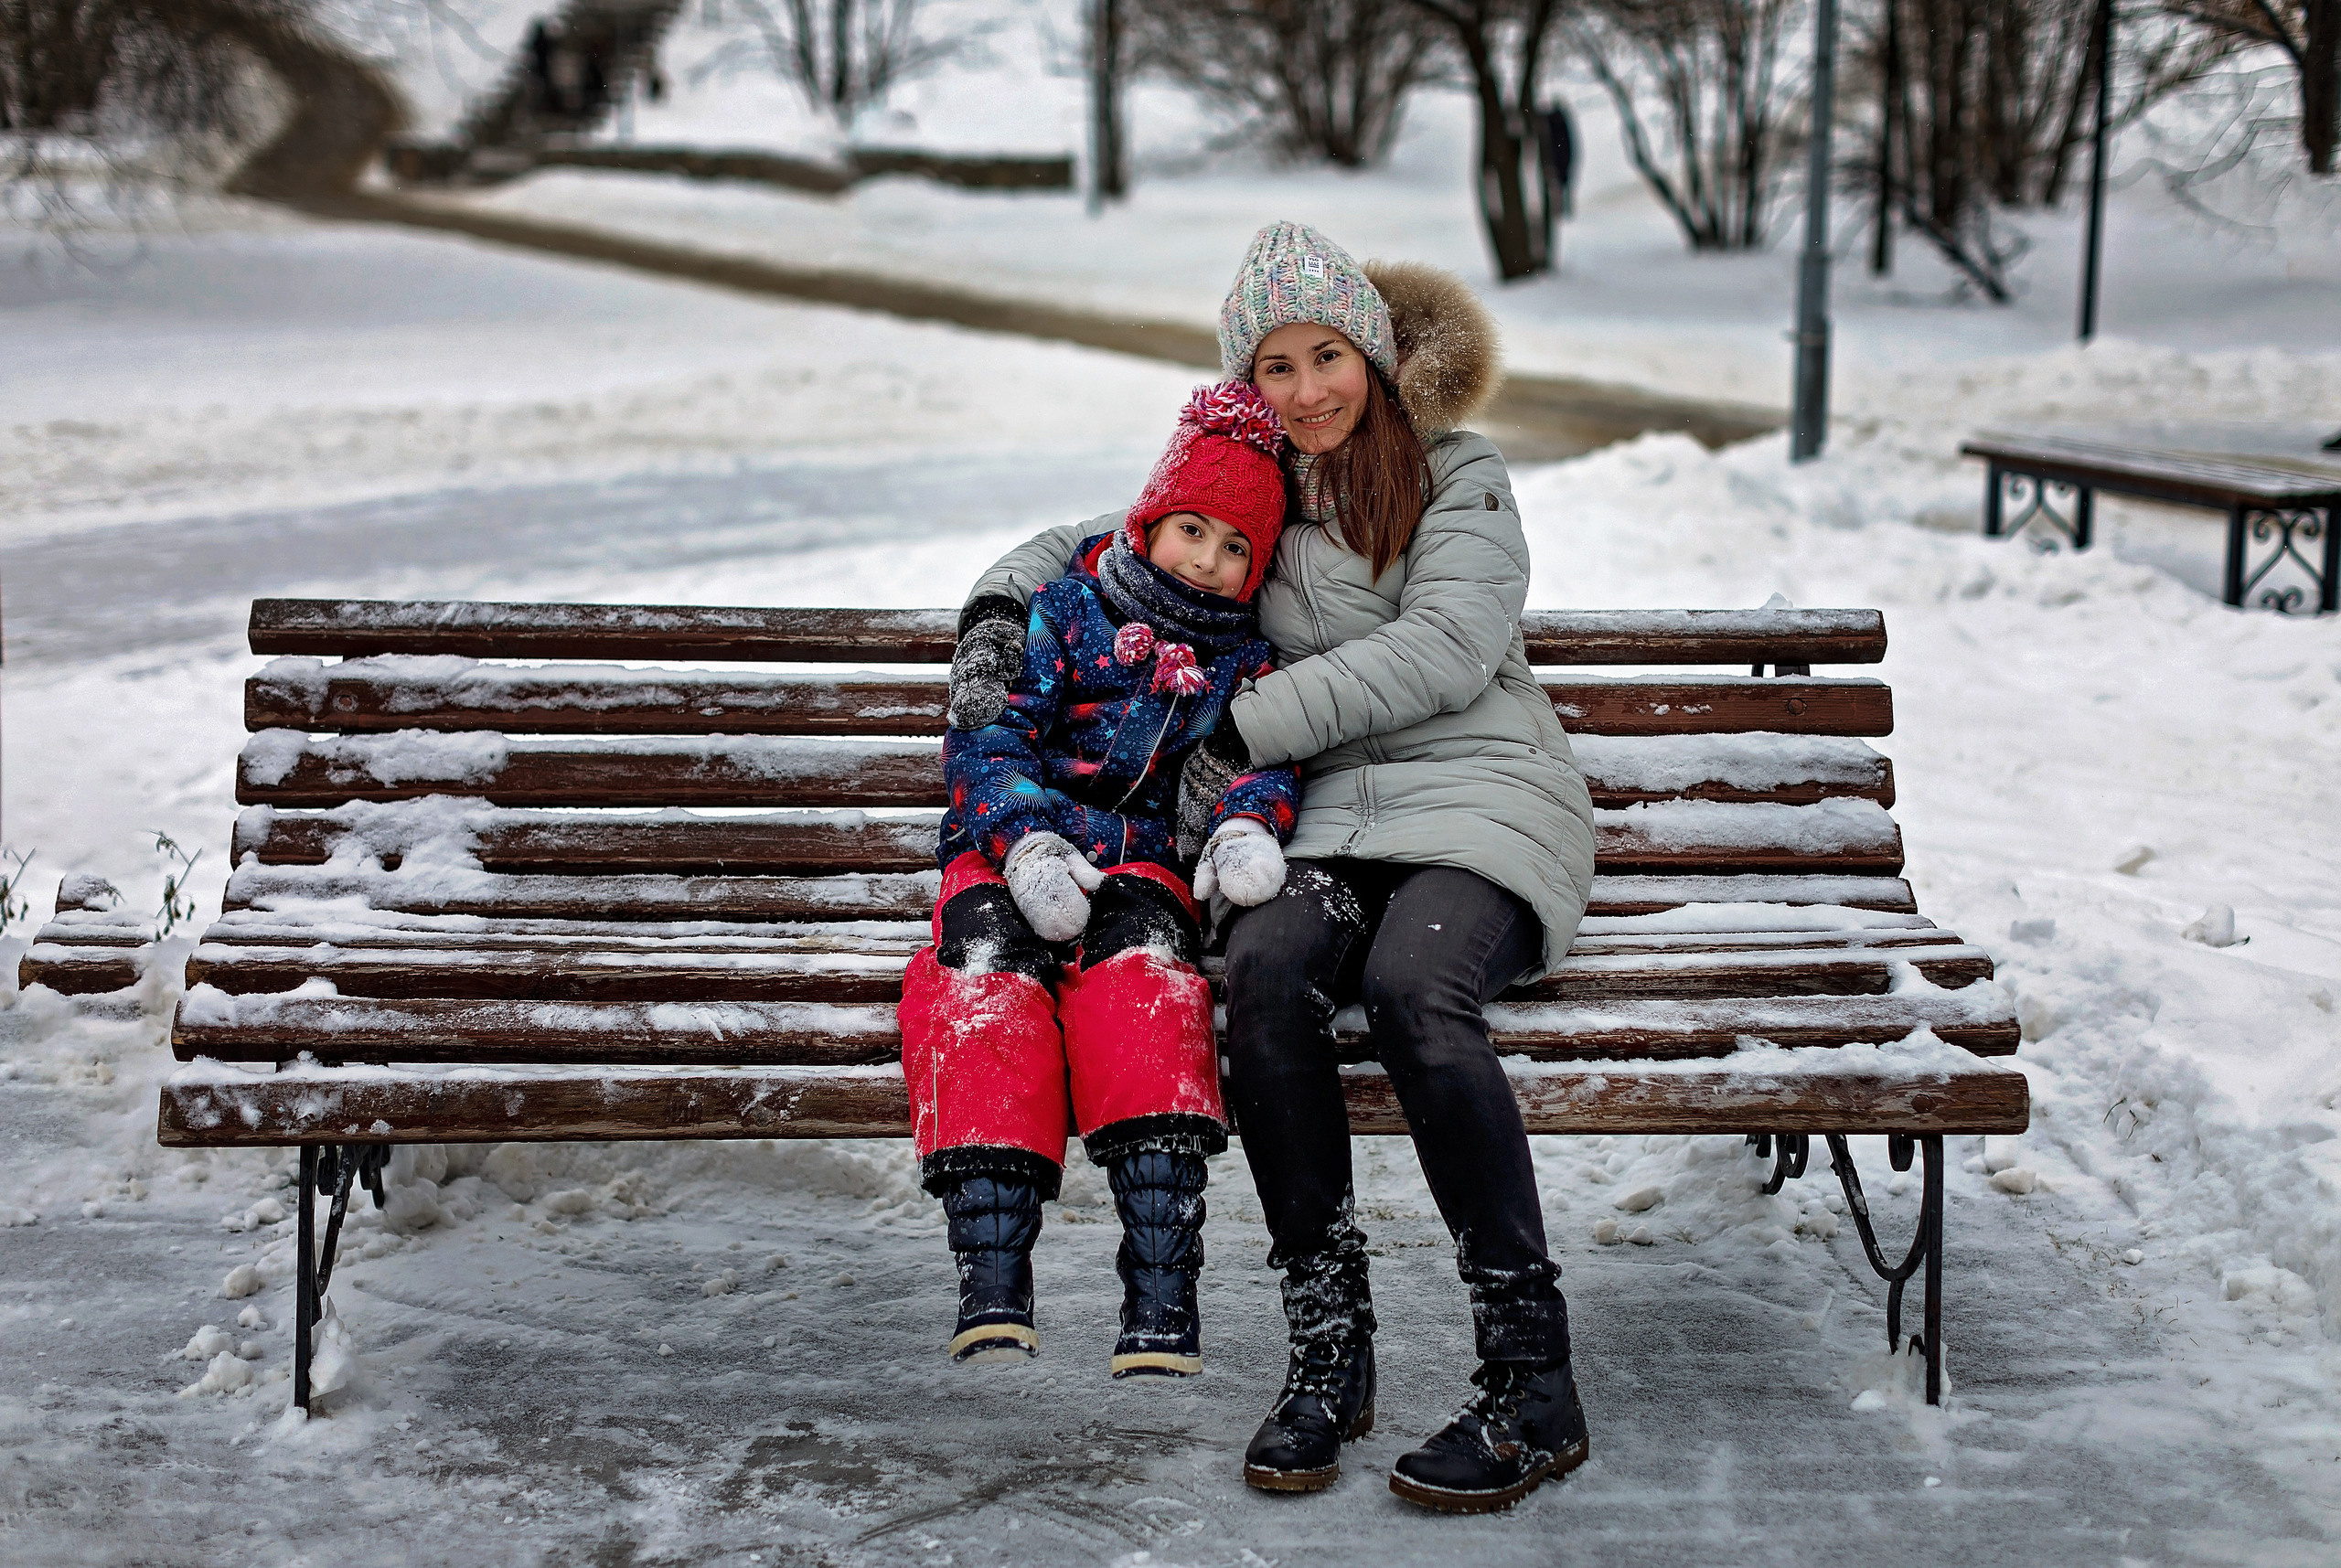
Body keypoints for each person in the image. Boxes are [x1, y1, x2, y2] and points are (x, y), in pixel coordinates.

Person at [948, 222, 1599, 1513]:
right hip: (1329, 821)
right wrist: (992, 620)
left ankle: (1530, 1373)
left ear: (1373, 349)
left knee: (1419, 990)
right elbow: (1096, 542)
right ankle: (1328, 1345)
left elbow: (1450, 650)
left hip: (1479, 804)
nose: (1308, 390)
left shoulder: (1460, 474)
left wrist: (1245, 726)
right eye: (1278, 364)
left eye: (1330, 355)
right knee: (1264, 971)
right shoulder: (1260, 479)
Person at [901, 382, 1303, 1380]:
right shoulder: (1066, 612)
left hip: (1137, 857)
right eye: (1191, 530)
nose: (1208, 560)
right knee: (985, 978)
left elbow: (1266, 750)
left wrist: (1246, 821)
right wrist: (1025, 840)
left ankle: (1160, 1285)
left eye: (1235, 548)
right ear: (1149, 518)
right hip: (1008, 847)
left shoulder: (1244, 660)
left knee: (1147, 984)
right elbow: (989, 733)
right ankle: (992, 1272)